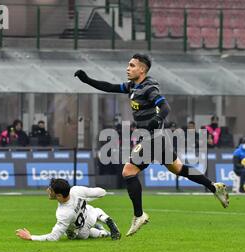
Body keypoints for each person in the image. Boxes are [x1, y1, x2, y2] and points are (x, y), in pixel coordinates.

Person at [74, 53, 229, 236]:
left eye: (132, 65)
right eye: (128, 65)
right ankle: (214, 187)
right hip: (157, 138)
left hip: (151, 138)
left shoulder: (149, 87)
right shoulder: (133, 86)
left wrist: (157, 118)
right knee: (178, 168)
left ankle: (139, 215)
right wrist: (87, 80)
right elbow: (109, 87)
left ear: (142, 69)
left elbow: (165, 107)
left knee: (128, 171)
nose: (128, 68)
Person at [15, 178, 121, 241]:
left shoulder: (63, 213)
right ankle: (106, 221)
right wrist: (87, 197)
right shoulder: (76, 190)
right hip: (89, 216)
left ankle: (104, 233)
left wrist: (31, 237)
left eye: (50, 190)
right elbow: (102, 192)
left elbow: (53, 237)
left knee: (76, 234)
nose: (47, 190)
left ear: (59, 196)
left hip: (79, 231)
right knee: (95, 210)